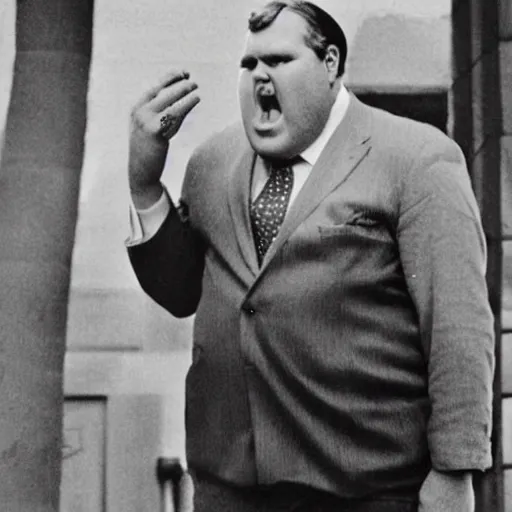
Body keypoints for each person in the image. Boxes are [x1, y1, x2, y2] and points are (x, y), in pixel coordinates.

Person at [126, 2, 495, 511]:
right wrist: (145, 185)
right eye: (249, 63)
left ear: (330, 65)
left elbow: (457, 327)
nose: (259, 75)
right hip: (229, 490)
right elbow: (181, 293)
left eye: (278, 60)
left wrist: (455, 472)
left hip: (367, 491)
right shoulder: (210, 163)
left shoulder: (416, 159)